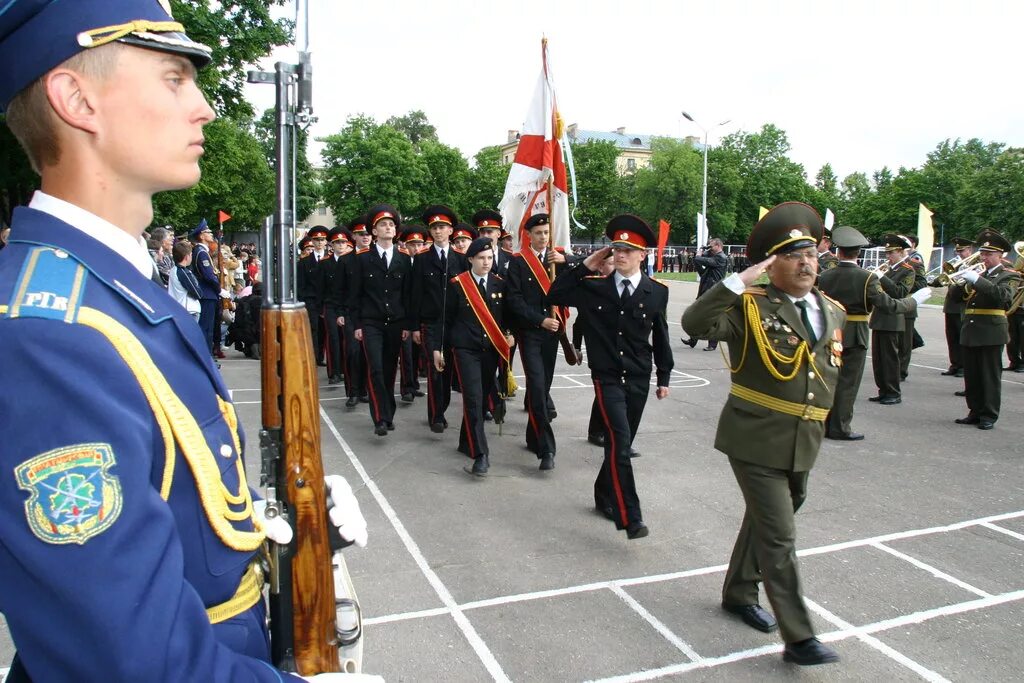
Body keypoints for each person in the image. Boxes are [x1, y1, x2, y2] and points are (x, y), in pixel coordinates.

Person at [0, 3, 369, 681]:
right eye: (173, 78)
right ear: (76, 99)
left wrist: (281, 522)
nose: (203, 108)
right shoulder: (49, 335)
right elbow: (129, 661)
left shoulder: (112, 287)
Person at [681, 202, 843, 666]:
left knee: (767, 520)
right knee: (779, 536)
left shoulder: (831, 310)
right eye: (794, 256)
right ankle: (799, 637)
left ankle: (737, 592)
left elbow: (830, 376)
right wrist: (738, 282)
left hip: (803, 438)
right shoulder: (751, 307)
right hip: (754, 436)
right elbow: (696, 324)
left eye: (812, 253)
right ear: (773, 265)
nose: (807, 263)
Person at [549, 216, 673, 539]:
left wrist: (665, 375)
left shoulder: (656, 292)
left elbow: (660, 335)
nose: (620, 255)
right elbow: (555, 294)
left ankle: (604, 494)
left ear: (642, 255)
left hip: (638, 378)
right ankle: (630, 515)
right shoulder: (593, 287)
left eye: (628, 250)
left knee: (623, 442)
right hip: (606, 378)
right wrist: (586, 263)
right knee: (618, 440)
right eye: (616, 248)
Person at [818, 227, 923, 440]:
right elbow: (890, 305)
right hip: (855, 332)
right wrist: (913, 301)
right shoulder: (867, 278)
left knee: (830, 379)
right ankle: (840, 427)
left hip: (832, 330)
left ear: (838, 252)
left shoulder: (826, 275)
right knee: (848, 383)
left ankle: (825, 424)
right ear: (859, 253)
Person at [431, 237, 515, 476]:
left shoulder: (500, 284)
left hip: (490, 351)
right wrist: (438, 348)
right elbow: (444, 320)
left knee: (481, 396)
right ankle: (480, 454)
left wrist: (509, 334)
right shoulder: (458, 285)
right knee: (474, 399)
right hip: (465, 350)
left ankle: (465, 441)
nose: (486, 262)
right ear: (470, 260)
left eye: (489, 258)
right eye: (481, 258)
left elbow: (506, 317)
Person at [507, 213, 575, 470]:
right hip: (530, 332)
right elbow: (514, 301)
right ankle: (547, 449)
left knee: (543, 388)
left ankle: (532, 436)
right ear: (529, 235)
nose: (543, 237)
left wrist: (566, 259)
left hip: (553, 333)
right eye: (538, 233)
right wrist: (539, 320)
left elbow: (586, 271)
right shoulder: (519, 262)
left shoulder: (557, 258)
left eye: (546, 232)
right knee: (536, 386)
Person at [348, 204, 414, 436]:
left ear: (396, 231)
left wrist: (407, 325)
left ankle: (389, 412)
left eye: (391, 224)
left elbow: (408, 295)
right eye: (382, 224)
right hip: (371, 322)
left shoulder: (404, 260)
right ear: (374, 232)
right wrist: (356, 325)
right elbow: (354, 294)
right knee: (375, 368)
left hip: (395, 322)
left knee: (388, 370)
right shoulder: (362, 259)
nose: (388, 227)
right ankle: (379, 417)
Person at [954, 228, 1021, 430]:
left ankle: (989, 414)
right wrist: (961, 282)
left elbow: (1003, 297)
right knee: (972, 375)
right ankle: (974, 411)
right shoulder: (979, 273)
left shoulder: (1010, 275)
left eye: (989, 254)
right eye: (983, 253)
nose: (984, 257)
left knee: (989, 376)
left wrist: (977, 280)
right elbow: (957, 299)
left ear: (1000, 256)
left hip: (992, 331)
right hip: (971, 330)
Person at [410, 206, 467, 432]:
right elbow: (415, 294)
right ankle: (436, 415)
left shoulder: (461, 259)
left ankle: (441, 407)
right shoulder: (422, 259)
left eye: (442, 227)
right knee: (435, 370)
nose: (438, 231)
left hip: (454, 324)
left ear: (451, 230)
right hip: (430, 324)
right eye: (434, 228)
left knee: (450, 369)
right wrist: (414, 326)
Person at [868, 234, 915, 405]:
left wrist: (881, 277)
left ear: (901, 252)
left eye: (892, 253)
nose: (888, 257)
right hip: (879, 316)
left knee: (890, 359)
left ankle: (893, 392)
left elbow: (900, 293)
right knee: (879, 359)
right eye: (887, 253)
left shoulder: (908, 269)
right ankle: (883, 390)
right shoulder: (889, 269)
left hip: (893, 318)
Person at [342, 216, 371, 407]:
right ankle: (353, 391)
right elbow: (338, 289)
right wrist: (339, 312)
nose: (365, 237)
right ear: (354, 236)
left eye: (368, 234)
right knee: (352, 351)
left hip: (370, 312)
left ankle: (365, 390)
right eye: (361, 234)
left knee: (368, 354)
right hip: (350, 312)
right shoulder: (346, 260)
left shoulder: (376, 256)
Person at [320, 226, 353, 385]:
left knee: (347, 339)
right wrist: (321, 308)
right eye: (337, 242)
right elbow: (320, 287)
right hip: (331, 305)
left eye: (343, 242)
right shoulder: (325, 263)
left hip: (348, 306)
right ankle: (334, 371)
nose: (340, 245)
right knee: (333, 338)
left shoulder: (352, 260)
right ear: (331, 245)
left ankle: (346, 369)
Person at [397, 225, 427, 403]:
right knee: (406, 353)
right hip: (405, 315)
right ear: (405, 245)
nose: (416, 248)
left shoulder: (424, 261)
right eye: (412, 244)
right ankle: (406, 388)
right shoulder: (402, 262)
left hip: (422, 314)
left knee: (417, 353)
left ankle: (414, 384)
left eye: (419, 244)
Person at [682, 237, 728, 350]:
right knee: (697, 315)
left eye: (711, 246)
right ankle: (693, 340)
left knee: (712, 318)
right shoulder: (713, 256)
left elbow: (702, 260)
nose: (710, 248)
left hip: (714, 291)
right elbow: (700, 264)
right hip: (705, 289)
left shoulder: (721, 258)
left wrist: (699, 255)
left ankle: (712, 345)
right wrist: (700, 254)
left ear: (718, 246)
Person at [937, 237, 974, 377]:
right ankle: (955, 364)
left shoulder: (974, 264)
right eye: (957, 251)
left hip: (963, 305)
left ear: (970, 250)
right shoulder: (957, 264)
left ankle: (964, 366)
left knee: (961, 337)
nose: (959, 254)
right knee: (951, 336)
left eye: (962, 250)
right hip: (951, 305)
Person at [191, 218, 223, 357]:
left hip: (209, 293)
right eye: (208, 232)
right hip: (207, 294)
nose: (211, 234)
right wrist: (219, 289)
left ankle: (207, 356)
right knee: (206, 328)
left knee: (209, 328)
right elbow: (209, 276)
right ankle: (205, 357)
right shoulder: (201, 252)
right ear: (201, 235)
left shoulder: (204, 251)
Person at [298, 225, 328, 366]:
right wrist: (303, 300)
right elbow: (301, 284)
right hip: (311, 300)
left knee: (324, 329)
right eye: (316, 239)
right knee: (313, 328)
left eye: (322, 239)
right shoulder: (304, 262)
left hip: (327, 300)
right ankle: (315, 356)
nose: (319, 242)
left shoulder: (331, 259)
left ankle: (321, 355)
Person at [900, 234, 928, 380]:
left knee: (905, 342)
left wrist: (904, 287)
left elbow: (922, 284)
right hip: (891, 305)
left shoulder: (915, 264)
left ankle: (901, 371)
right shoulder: (891, 267)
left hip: (908, 305)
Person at [168, 240, 202, 321]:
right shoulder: (183, 273)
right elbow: (198, 293)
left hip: (178, 309)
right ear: (187, 256)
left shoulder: (174, 269)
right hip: (188, 311)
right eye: (191, 255)